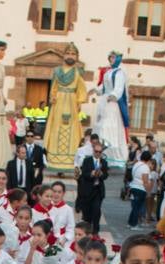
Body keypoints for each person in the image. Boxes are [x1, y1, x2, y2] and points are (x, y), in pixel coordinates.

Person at [41, 42, 88, 172]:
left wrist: (79, 102)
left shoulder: (78, 72)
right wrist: (52, 96)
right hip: (58, 104)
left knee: (70, 129)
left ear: (77, 56)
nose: (70, 56)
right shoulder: (57, 71)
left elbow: (81, 89)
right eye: (68, 53)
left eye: (73, 54)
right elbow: (54, 87)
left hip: (71, 102)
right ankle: (54, 159)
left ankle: (70, 161)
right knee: (56, 128)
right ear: (63, 55)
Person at [93, 51, 130, 169]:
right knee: (100, 124)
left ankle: (113, 156)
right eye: (110, 57)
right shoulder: (108, 72)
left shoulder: (120, 73)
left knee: (109, 126)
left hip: (112, 102)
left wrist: (113, 95)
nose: (111, 59)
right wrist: (97, 90)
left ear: (118, 59)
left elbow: (119, 88)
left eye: (114, 57)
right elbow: (104, 87)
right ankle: (101, 151)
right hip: (104, 101)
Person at [76, 140, 109, 234]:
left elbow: (106, 175)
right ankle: (87, 229)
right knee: (87, 212)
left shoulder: (104, 162)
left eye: (100, 152)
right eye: (96, 151)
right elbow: (83, 175)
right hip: (88, 189)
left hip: (98, 190)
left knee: (96, 210)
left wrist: (101, 174)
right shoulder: (87, 161)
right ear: (93, 151)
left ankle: (95, 230)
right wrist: (91, 174)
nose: (98, 153)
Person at [128, 150, 152, 227]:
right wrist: (148, 192)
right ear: (148, 159)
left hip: (133, 186)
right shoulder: (145, 167)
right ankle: (134, 224)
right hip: (140, 189)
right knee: (137, 207)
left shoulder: (136, 164)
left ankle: (130, 223)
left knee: (134, 207)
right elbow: (145, 181)